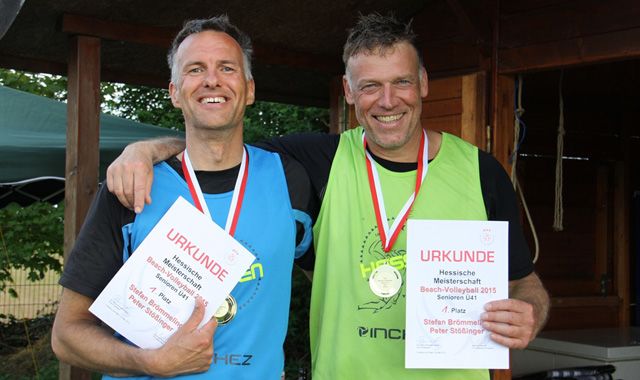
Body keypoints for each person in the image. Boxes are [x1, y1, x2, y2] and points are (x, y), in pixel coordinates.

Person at [106, 13, 550, 379]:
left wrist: (530, 311)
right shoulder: (315, 162)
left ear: (424, 84)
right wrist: (143, 150)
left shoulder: (481, 172)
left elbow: (525, 282)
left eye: (402, 82)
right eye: (370, 86)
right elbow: (217, 141)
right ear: (349, 91)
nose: (388, 100)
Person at [51, 15, 314, 380]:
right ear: (174, 91)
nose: (212, 80)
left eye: (226, 67)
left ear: (250, 89)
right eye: (195, 69)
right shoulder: (132, 187)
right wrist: (148, 363)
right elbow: (66, 336)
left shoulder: (291, 181)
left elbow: (328, 281)